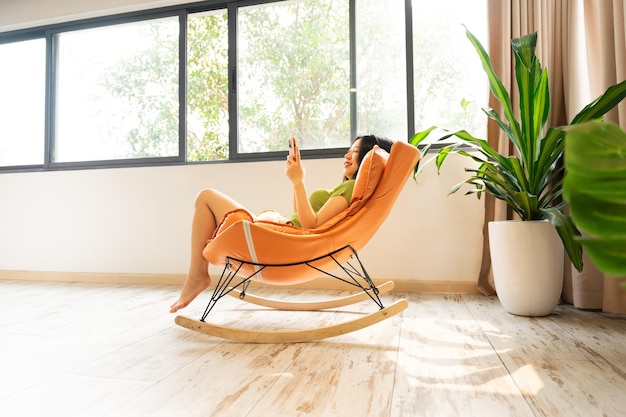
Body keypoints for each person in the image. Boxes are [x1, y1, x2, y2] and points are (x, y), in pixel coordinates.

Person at [169, 134, 394, 313]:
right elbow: (302, 216)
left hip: (282, 240)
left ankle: (197, 275)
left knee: (206, 197)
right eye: (349, 149)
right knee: (207, 199)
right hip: (284, 237)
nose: (347, 154)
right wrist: (298, 179)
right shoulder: (350, 190)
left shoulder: (349, 189)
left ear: (365, 159)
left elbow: (310, 225)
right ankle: (197, 275)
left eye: (355, 151)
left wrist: (298, 182)